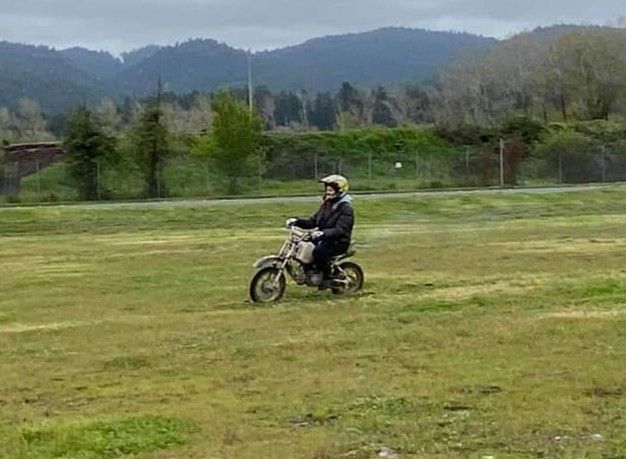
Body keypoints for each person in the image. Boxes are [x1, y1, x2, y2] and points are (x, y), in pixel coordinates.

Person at [286, 174, 354, 288]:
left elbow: (342, 229)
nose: (328, 191)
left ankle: (327, 278)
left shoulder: (345, 208)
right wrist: (296, 221)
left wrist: (323, 233)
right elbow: (313, 222)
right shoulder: (327, 205)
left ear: (340, 190)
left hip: (339, 241)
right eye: (327, 188)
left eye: (331, 189)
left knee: (319, 251)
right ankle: (309, 272)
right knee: (302, 246)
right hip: (324, 238)